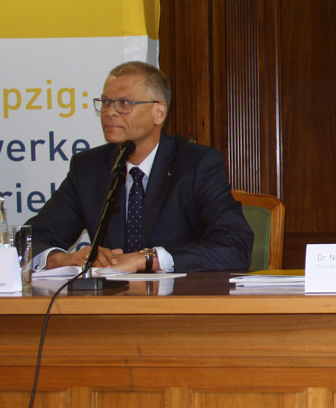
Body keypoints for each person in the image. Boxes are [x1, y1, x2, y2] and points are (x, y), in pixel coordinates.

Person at [28, 61, 253, 273]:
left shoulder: (196, 164)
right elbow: (31, 238)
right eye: (106, 102)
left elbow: (235, 246)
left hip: (177, 304)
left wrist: (146, 259)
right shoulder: (88, 167)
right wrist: (62, 259)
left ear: (159, 112)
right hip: (108, 304)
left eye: (124, 103)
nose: (110, 112)